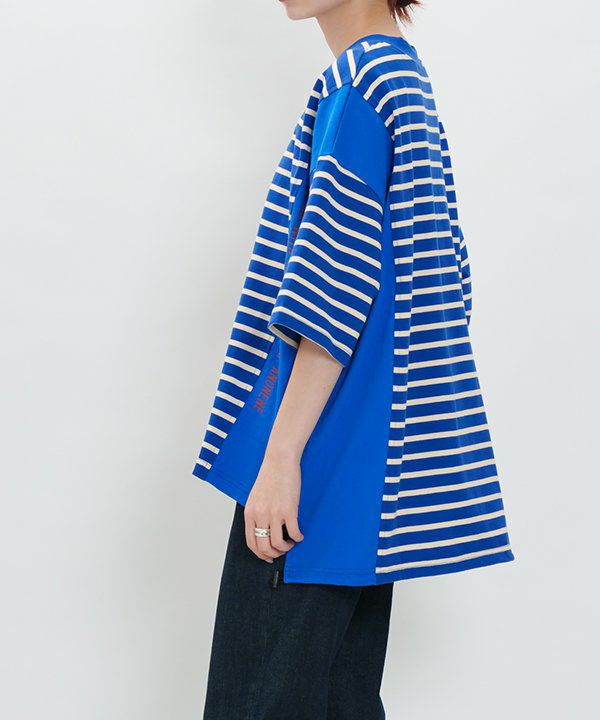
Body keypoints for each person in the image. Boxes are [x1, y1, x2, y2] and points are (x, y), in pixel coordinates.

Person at [193, 1, 514, 718]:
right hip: (368, 484)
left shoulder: (360, 84)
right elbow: (450, 280)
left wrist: (281, 459)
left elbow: (331, 289)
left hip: (315, 469)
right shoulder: (405, 82)